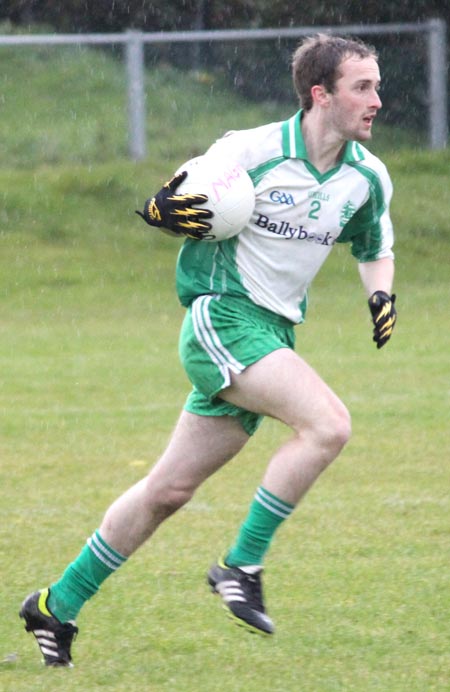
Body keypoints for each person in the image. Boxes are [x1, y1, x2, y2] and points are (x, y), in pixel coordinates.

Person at [20, 33, 397, 666]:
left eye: (378, 86)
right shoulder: (250, 151)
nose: (378, 100)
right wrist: (163, 210)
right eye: (363, 87)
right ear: (320, 94)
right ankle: (240, 566)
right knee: (328, 425)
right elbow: (179, 196)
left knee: (168, 491)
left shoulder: (365, 176)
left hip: (272, 333)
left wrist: (380, 296)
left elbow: (372, 245)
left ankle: (56, 605)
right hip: (221, 318)